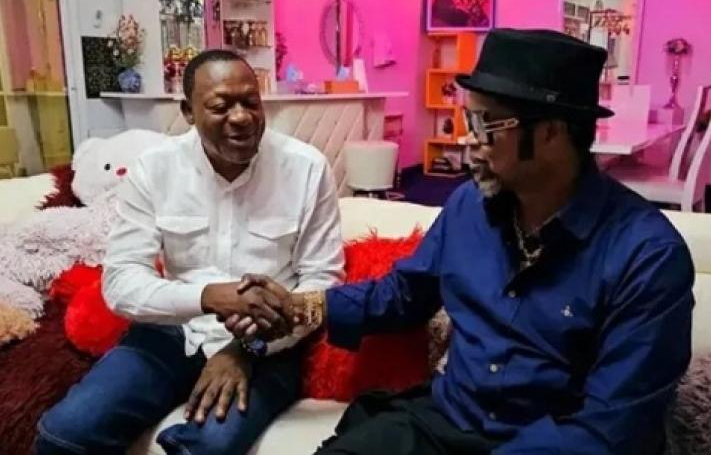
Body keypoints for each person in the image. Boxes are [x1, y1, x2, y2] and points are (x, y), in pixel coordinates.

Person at [227, 29, 695, 455]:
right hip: (449, 421)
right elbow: (404, 294)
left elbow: (610, 432)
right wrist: (304, 307)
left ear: (551, 133)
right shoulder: (469, 206)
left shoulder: (647, 257)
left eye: (487, 123)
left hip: (553, 440)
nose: (468, 140)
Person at [35, 49, 345, 455]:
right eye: (221, 106)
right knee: (64, 433)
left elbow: (324, 282)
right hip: (172, 333)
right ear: (188, 112)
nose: (241, 117)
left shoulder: (306, 168)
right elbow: (121, 281)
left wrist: (247, 348)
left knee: (208, 449)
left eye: (250, 102)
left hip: (268, 348)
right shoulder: (155, 168)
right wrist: (208, 297)